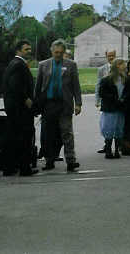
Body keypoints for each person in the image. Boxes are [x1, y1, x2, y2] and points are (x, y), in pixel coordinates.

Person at [35, 39, 82, 172]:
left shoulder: (71, 65)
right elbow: (38, 87)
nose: (58, 55)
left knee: (67, 133)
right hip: (48, 105)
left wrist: (78, 103)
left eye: (61, 53)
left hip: (64, 104)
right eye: (56, 52)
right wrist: (35, 105)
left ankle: (71, 161)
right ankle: (49, 160)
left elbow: (76, 86)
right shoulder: (43, 65)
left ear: (64, 52)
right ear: (51, 51)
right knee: (48, 134)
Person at [1, 40, 38, 177]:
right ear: (18, 50)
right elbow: (15, 85)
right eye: (26, 49)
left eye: (30, 49)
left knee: (13, 138)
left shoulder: (14, 64)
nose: (29, 51)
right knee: (24, 138)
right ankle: (24, 168)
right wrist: (26, 99)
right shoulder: (18, 65)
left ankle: (9, 167)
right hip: (20, 109)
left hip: (14, 108)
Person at [98, 58, 127, 159]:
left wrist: (124, 99)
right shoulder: (106, 80)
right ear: (118, 65)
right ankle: (108, 150)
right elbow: (102, 93)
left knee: (119, 128)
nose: (125, 66)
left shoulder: (124, 79)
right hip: (110, 108)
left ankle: (117, 150)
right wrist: (115, 99)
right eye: (123, 64)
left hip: (120, 108)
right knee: (109, 128)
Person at [95, 50, 116, 153]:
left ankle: (118, 145)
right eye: (109, 56)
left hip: (117, 100)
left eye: (113, 55)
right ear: (106, 56)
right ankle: (106, 145)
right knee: (106, 124)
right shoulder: (101, 69)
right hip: (106, 101)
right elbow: (98, 85)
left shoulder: (120, 67)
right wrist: (97, 100)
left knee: (117, 123)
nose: (111, 57)